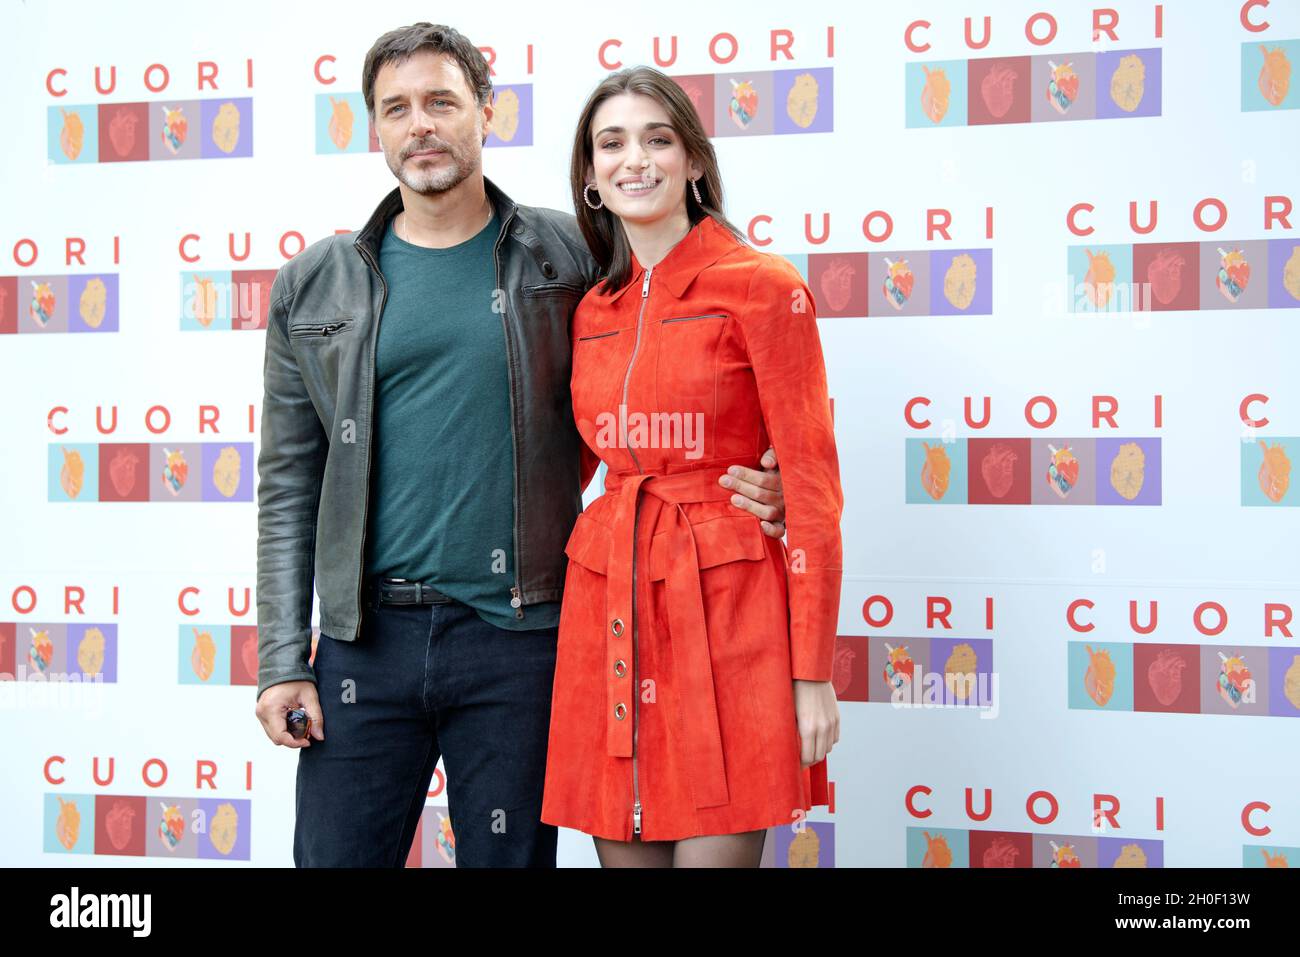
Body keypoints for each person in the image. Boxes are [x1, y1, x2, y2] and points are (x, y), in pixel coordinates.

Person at [252, 23, 787, 868]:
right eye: (397, 108)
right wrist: (282, 657)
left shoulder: (566, 252)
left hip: (520, 632)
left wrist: (772, 469)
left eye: (441, 101)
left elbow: (690, 331)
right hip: (364, 641)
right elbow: (288, 483)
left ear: (485, 112)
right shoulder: (317, 283)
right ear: (375, 128)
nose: (420, 124)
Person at [540, 66, 845, 868]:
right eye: (611, 143)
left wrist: (810, 673)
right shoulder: (590, 310)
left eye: (657, 138)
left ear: (696, 162)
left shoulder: (764, 286)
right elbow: (567, 466)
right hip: (608, 608)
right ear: (590, 175)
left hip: (731, 611)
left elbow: (811, 489)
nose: (633, 158)